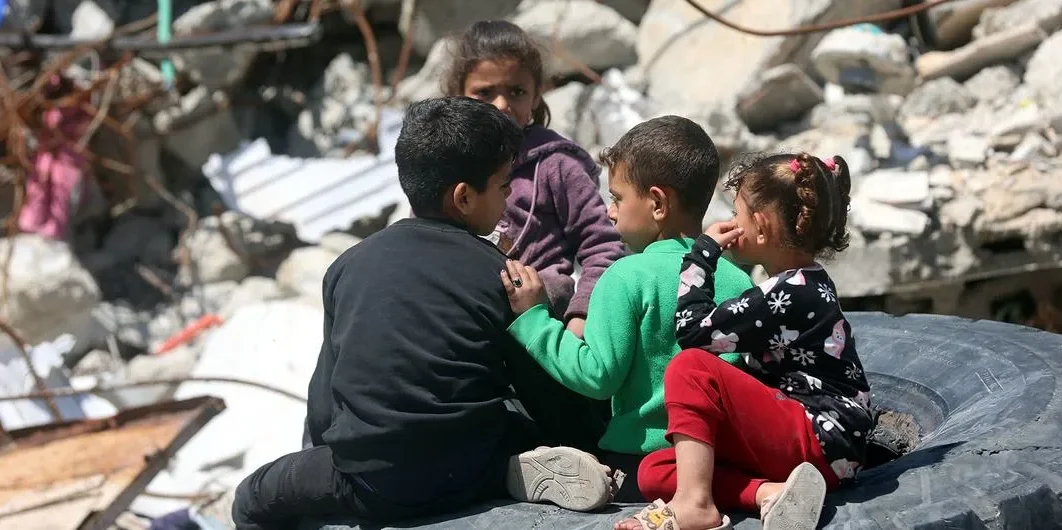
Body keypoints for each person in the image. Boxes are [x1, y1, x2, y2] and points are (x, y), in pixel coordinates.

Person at [231, 97, 616, 530]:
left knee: (252, 496)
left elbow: (325, 400)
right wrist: (588, 440)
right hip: (468, 466)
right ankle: (508, 471)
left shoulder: (348, 265)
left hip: (373, 484)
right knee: (505, 421)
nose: (508, 199)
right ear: (464, 198)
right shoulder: (500, 274)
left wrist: (325, 458)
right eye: (504, 187)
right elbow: (542, 392)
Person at [500, 116, 755, 503]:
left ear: (657, 203)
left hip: (641, 465)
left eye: (617, 198)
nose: (610, 212)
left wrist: (533, 319)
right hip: (722, 464)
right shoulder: (738, 280)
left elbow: (597, 376)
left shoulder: (626, 275)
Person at [617, 153, 874, 530]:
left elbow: (692, 333)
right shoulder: (799, 285)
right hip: (814, 452)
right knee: (655, 469)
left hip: (817, 436)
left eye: (737, 214)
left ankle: (694, 505)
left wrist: (703, 255)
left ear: (761, 225)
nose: (731, 224)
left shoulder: (790, 293)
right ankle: (769, 493)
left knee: (690, 367)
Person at [445, 19, 626, 339]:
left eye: (516, 92)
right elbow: (422, 236)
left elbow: (602, 245)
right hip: (466, 321)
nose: (501, 105)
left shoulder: (556, 164)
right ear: (457, 94)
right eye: (484, 93)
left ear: (536, 96)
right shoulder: (446, 164)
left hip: (544, 324)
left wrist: (581, 315)